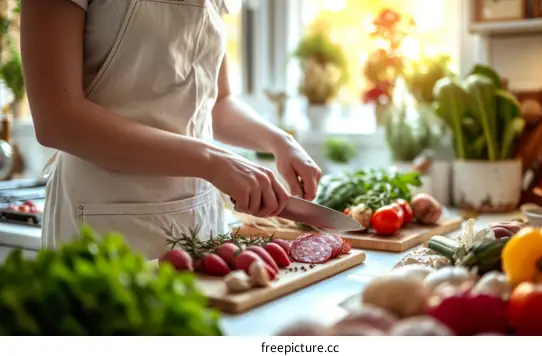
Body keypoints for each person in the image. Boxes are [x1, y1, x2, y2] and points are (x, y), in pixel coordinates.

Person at [20, 0, 322, 259]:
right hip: (103, 224)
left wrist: (279, 141)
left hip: (199, 219)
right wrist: (213, 160)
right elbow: (57, 120)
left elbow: (217, 103)